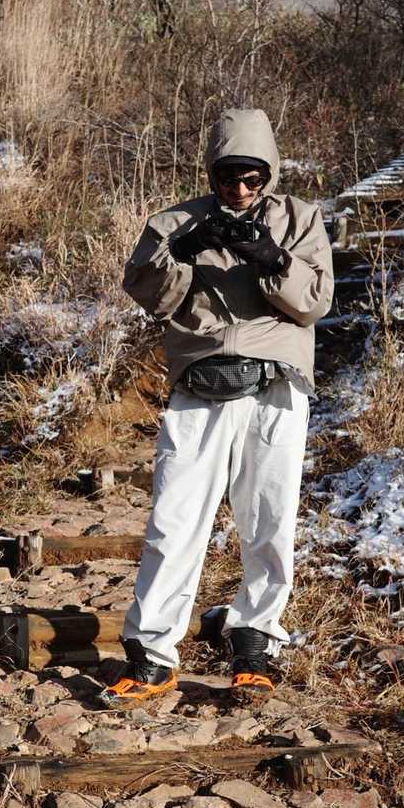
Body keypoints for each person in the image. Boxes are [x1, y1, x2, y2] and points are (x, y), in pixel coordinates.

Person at [102, 106, 334, 706]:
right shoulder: (173, 222)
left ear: (270, 174)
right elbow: (149, 295)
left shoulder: (300, 219)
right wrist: (180, 251)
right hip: (200, 383)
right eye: (230, 177)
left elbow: (314, 302)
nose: (241, 189)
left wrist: (272, 258)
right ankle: (152, 656)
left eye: (253, 178)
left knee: (270, 520)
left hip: (276, 385)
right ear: (212, 173)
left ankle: (255, 641)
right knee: (174, 520)